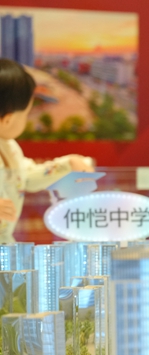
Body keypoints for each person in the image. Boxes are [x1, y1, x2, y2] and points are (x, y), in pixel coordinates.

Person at [0, 60, 93, 242]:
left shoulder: (10, 147)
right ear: (8, 120)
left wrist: (68, 165)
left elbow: (26, 177)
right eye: (26, 114)